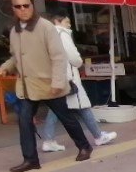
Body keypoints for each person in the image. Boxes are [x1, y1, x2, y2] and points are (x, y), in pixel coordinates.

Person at [0, 0, 91, 171]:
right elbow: (16, 57)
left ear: (32, 6)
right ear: (13, 9)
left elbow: (58, 57)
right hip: (27, 86)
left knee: (66, 118)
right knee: (24, 122)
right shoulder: (14, 31)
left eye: (26, 5)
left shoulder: (46, 27)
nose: (23, 9)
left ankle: (84, 146)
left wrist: (57, 82)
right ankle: (30, 159)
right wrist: (6, 67)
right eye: (18, 7)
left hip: (49, 84)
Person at [39, 13, 117, 152]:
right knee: (83, 107)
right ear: (57, 20)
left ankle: (49, 139)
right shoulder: (62, 34)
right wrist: (79, 63)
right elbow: (73, 57)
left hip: (56, 76)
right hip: (69, 77)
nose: (69, 25)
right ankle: (98, 136)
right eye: (67, 22)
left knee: (55, 109)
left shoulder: (46, 35)